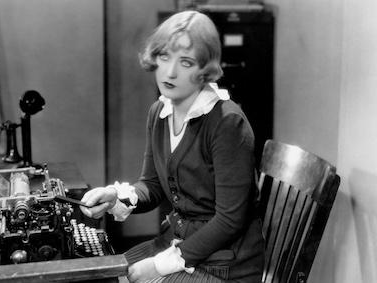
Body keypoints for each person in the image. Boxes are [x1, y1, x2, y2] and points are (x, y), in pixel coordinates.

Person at [80, 10, 264, 283]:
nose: (171, 71)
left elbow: (229, 221)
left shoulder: (227, 123)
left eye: (186, 62)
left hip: (224, 264)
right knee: (100, 276)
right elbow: (151, 186)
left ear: (205, 70)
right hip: (176, 244)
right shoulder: (159, 112)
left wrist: (158, 267)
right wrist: (114, 198)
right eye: (165, 57)